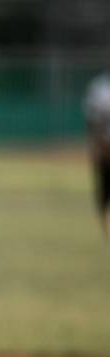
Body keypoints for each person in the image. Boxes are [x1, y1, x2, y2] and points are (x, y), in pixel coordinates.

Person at [84, 69, 110, 238]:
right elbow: (92, 120)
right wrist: (97, 146)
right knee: (103, 194)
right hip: (104, 149)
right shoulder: (101, 87)